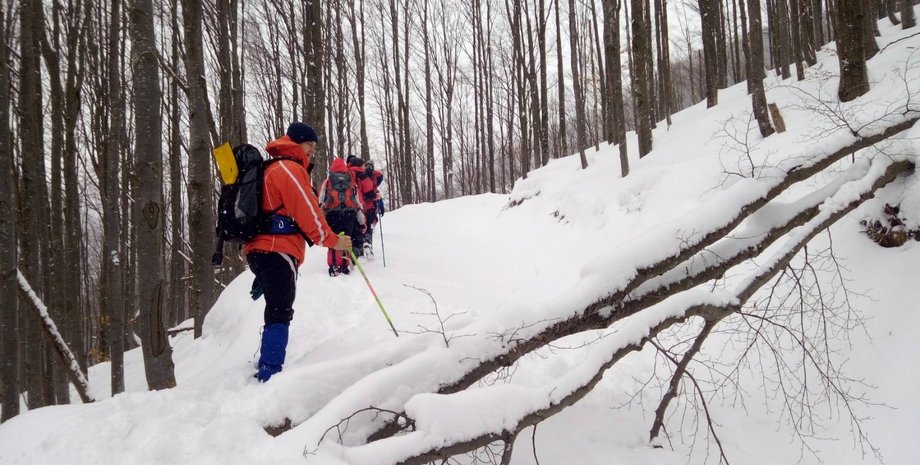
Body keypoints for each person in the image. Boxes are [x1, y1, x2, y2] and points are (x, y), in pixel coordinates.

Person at [244, 122, 352, 382]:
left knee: (276, 305)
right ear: (295, 142)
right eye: (309, 145)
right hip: (277, 248)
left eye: (315, 146)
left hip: (261, 249)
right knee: (280, 308)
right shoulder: (289, 169)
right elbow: (308, 212)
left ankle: (268, 363)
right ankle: (270, 371)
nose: (313, 150)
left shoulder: (271, 168)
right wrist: (331, 241)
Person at [319, 157, 365, 276]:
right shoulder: (350, 181)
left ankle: (334, 265)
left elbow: (321, 200)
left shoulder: (329, 181)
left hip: (332, 214)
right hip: (349, 214)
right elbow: (357, 202)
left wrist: (321, 216)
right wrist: (362, 221)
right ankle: (344, 265)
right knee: (346, 241)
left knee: (334, 241)